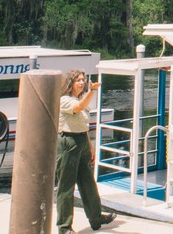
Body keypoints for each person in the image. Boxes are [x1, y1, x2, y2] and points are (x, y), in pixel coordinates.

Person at [56, 70, 115, 234]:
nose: (82, 83)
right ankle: (64, 227)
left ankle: (96, 218)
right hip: (68, 142)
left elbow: (83, 125)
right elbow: (79, 107)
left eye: (83, 79)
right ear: (70, 83)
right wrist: (92, 91)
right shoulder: (64, 100)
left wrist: (90, 146)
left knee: (88, 183)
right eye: (78, 80)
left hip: (81, 140)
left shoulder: (80, 99)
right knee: (66, 187)